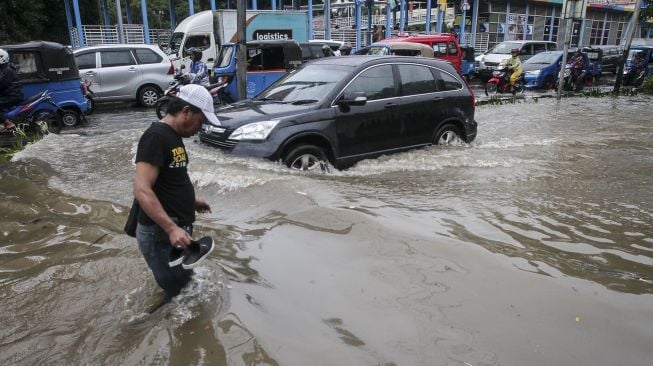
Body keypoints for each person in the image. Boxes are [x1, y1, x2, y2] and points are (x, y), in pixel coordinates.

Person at [133, 84, 219, 301]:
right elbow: (142, 189)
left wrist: (190, 201)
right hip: (159, 234)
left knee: (185, 286)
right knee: (180, 294)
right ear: (186, 112)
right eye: (201, 121)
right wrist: (171, 228)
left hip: (170, 232)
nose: (200, 128)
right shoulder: (155, 137)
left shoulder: (172, 136)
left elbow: (169, 181)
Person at [0, 48, 24, 133]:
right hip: (11, 95)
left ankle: (8, 123)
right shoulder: (5, 69)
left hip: (13, 96)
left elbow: (1, 84)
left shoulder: (7, 71)